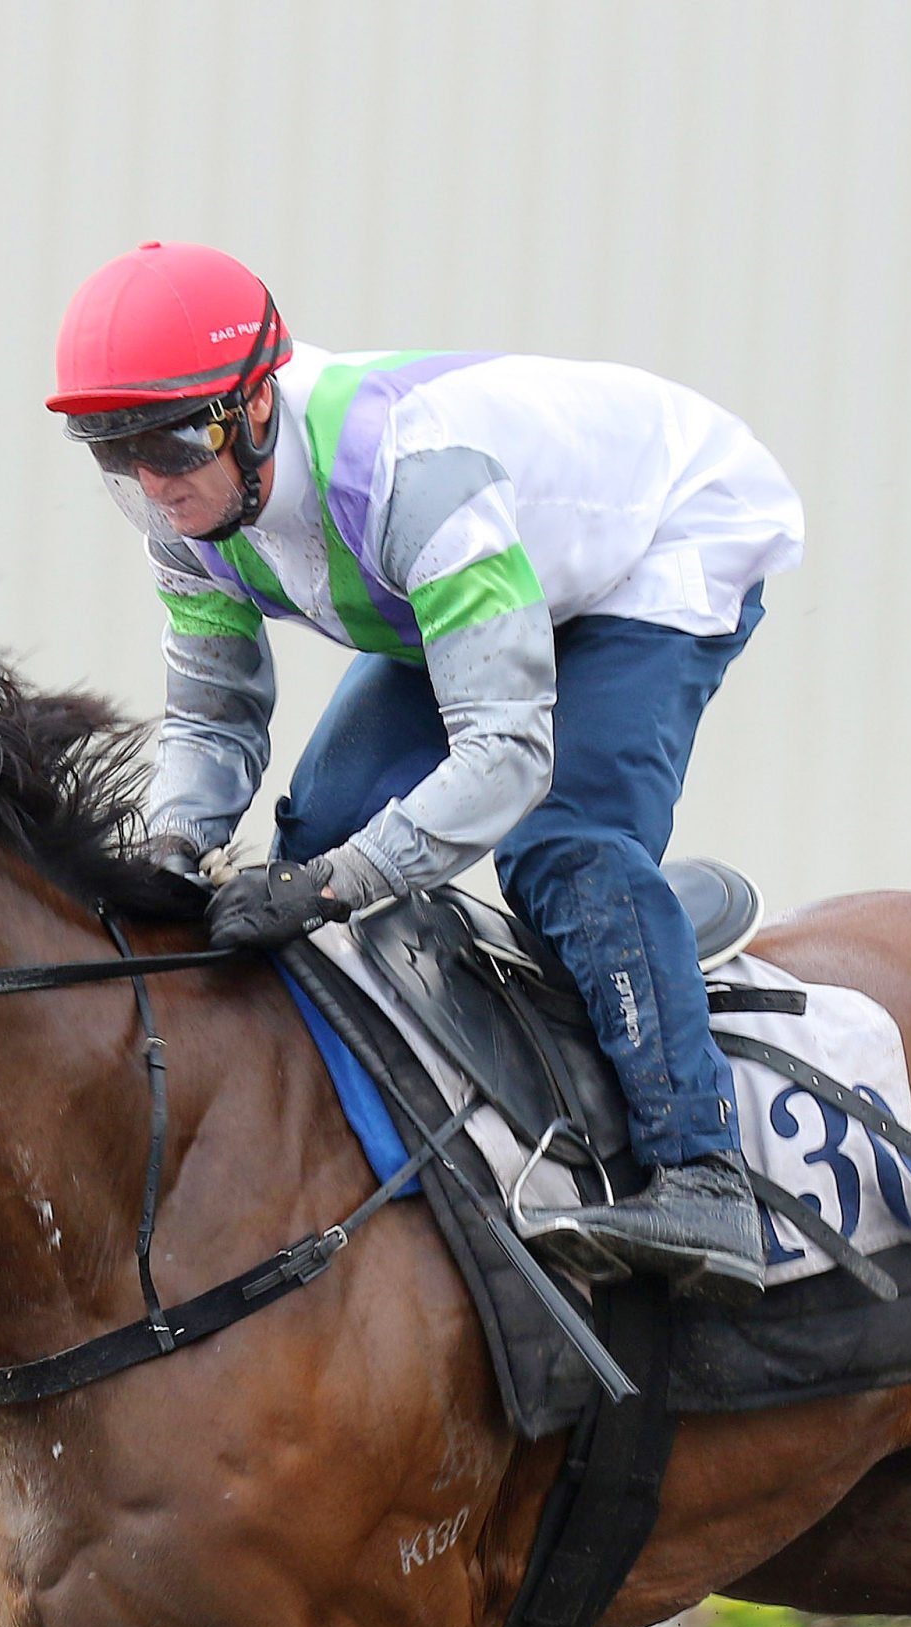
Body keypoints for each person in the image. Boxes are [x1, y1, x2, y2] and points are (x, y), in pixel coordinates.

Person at [48, 243, 805, 1293]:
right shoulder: (184, 519)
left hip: (660, 545)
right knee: (312, 838)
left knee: (560, 846)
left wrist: (335, 885)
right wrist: (178, 845)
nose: (154, 485)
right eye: (115, 452)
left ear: (255, 406)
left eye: (171, 444)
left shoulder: (404, 472)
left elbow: (505, 755)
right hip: (489, 579)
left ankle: (705, 1174)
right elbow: (215, 716)